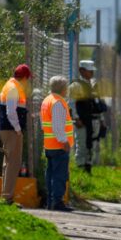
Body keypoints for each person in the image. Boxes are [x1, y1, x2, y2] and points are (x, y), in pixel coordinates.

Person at [0, 64, 31, 205]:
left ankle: (6, 196)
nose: (28, 82)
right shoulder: (13, 89)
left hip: (8, 129)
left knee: (9, 163)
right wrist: (18, 129)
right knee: (13, 164)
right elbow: (10, 112)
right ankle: (7, 199)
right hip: (12, 130)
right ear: (24, 77)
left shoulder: (10, 86)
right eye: (28, 79)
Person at [41, 75, 74, 212]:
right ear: (62, 88)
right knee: (59, 175)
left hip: (49, 144)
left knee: (50, 174)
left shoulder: (47, 100)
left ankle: (50, 201)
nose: (67, 90)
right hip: (59, 145)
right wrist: (64, 141)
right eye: (66, 87)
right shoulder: (58, 103)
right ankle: (58, 202)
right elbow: (58, 126)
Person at [69, 60, 105, 173]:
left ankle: (88, 167)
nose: (92, 73)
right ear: (82, 71)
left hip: (94, 120)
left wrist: (102, 119)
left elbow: (97, 102)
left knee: (92, 144)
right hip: (82, 120)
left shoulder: (93, 84)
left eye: (92, 71)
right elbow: (71, 103)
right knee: (82, 144)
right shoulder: (76, 85)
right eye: (90, 71)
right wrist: (76, 118)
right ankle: (80, 168)